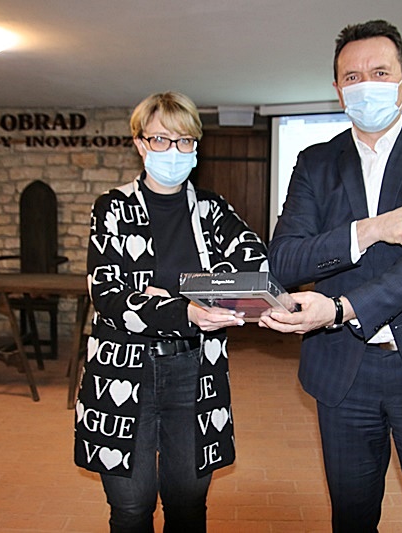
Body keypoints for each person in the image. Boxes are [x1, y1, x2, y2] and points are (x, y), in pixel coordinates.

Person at [259, 20, 402, 532]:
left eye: (380, 73)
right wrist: (369, 230)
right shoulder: (316, 163)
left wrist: (342, 308)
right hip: (344, 371)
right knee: (352, 517)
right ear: (339, 91)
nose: (366, 85)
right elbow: (286, 260)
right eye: (353, 77)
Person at [74, 91, 269, 532]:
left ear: (196, 146)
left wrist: (170, 295)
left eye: (184, 141)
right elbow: (109, 295)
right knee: (131, 506)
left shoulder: (213, 209)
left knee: (188, 504)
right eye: (160, 139)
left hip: (195, 371)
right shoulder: (112, 207)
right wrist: (187, 308)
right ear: (140, 144)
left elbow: (254, 262)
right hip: (124, 371)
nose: (173, 150)